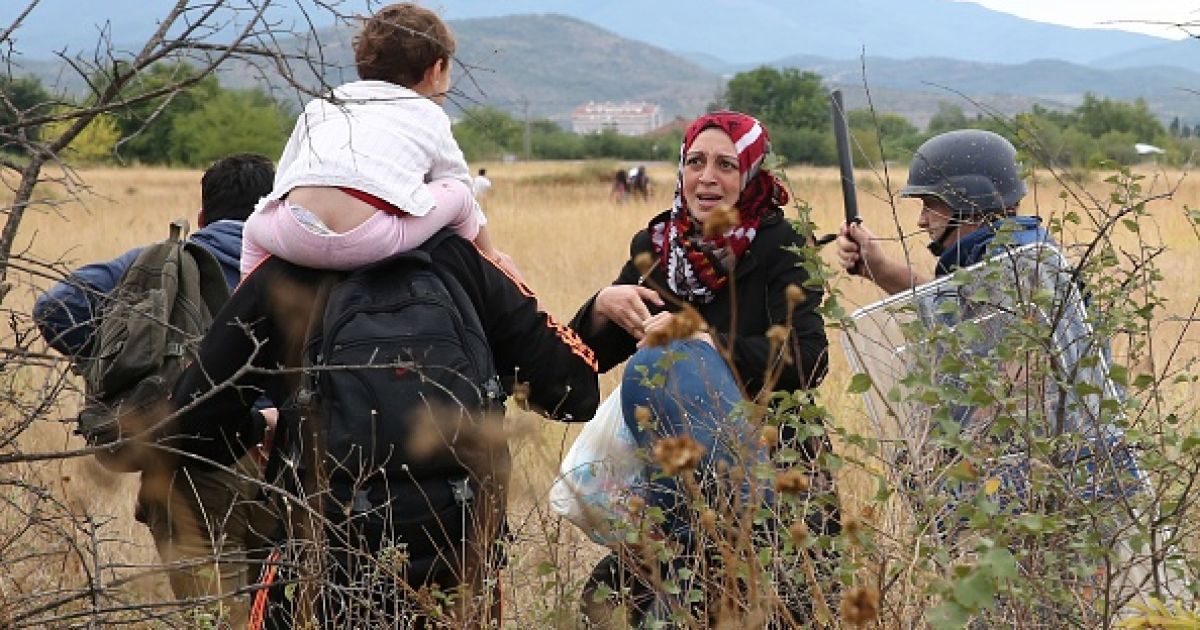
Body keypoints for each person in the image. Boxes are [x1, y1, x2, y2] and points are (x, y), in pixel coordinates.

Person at [165, 229, 600, 627]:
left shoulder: (289, 266)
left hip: (319, 575)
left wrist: (260, 425)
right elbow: (573, 392)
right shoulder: (458, 259)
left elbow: (188, 426)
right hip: (458, 571)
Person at [570, 111, 833, 625]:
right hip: (673, 476)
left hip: (774, 470)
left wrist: (710, 341)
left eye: (726, 165)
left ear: (752, 174)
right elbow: (586, 356)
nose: (707, 177)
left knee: (779, 607)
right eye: (695, 161)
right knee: (634, 602)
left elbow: (810, 357)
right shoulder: (659, 248)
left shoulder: (781, 245)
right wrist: (603, 305)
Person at [32, 153, 277, 624]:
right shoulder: (299, 267)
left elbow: (54, 308)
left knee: (213, 618)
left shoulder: (160, 262)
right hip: (282, 459)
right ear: (273, 211)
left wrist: (123, 370)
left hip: (189, 465)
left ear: (203, 216)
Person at [241, 3, 517, 279]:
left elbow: (283, 183)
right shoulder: (429, 113)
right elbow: (456, 184)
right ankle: (490, 263)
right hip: (368, 240)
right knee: (457, 192)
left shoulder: (324, 103)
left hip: (296, 233)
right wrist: (490, 253)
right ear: (436, 70)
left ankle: (242, 304)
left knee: (253, 227)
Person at [835, 129, 1047, 292]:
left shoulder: (1007, 266)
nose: (922, 221)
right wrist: (878, 268)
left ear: (970, 204)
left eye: (930, 205)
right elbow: (945, 309)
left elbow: (952, 322)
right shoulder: (1018, 249)